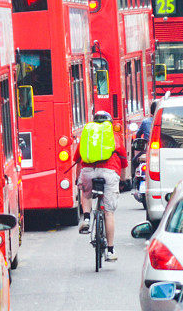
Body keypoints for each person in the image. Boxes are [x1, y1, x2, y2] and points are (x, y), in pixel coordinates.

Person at [75, 111, 128, 262]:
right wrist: (122, 181)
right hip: (109, 172)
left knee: (86, 194)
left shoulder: (87, 135)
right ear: (109, 123)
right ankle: (110, 251)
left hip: (88, 172)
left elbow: (78, 159)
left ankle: (86, 219)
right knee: (109, 213)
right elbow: (124, 162)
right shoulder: (114, 136)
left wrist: (79, 180)